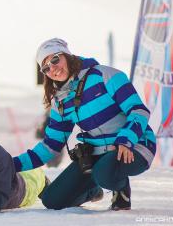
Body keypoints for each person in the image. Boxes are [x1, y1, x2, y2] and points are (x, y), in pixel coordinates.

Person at [13, 38, 157, 211]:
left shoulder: (105, 75)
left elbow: (138, 110)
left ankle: (121, 190)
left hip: (135, 146)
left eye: (55, 59)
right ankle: (92, 191)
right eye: (46, 68)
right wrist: (9, 164)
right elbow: (50, 146)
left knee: (104, 172)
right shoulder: (60, 100)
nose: (53, 68)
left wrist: (125, 140)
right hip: (97, 156)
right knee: (52, 201)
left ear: (67, 55)